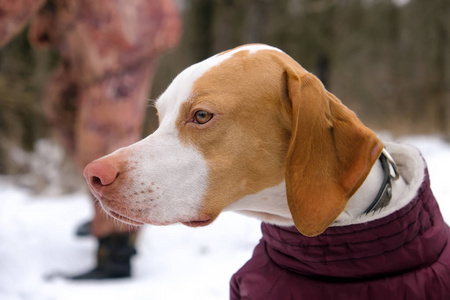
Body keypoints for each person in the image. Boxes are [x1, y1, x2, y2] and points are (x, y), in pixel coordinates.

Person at [0, 0, 180, 279]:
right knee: (62, 101)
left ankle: (116, 247)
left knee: (105, 129)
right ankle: (108, 208)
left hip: (121, 32)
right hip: (93, 32)